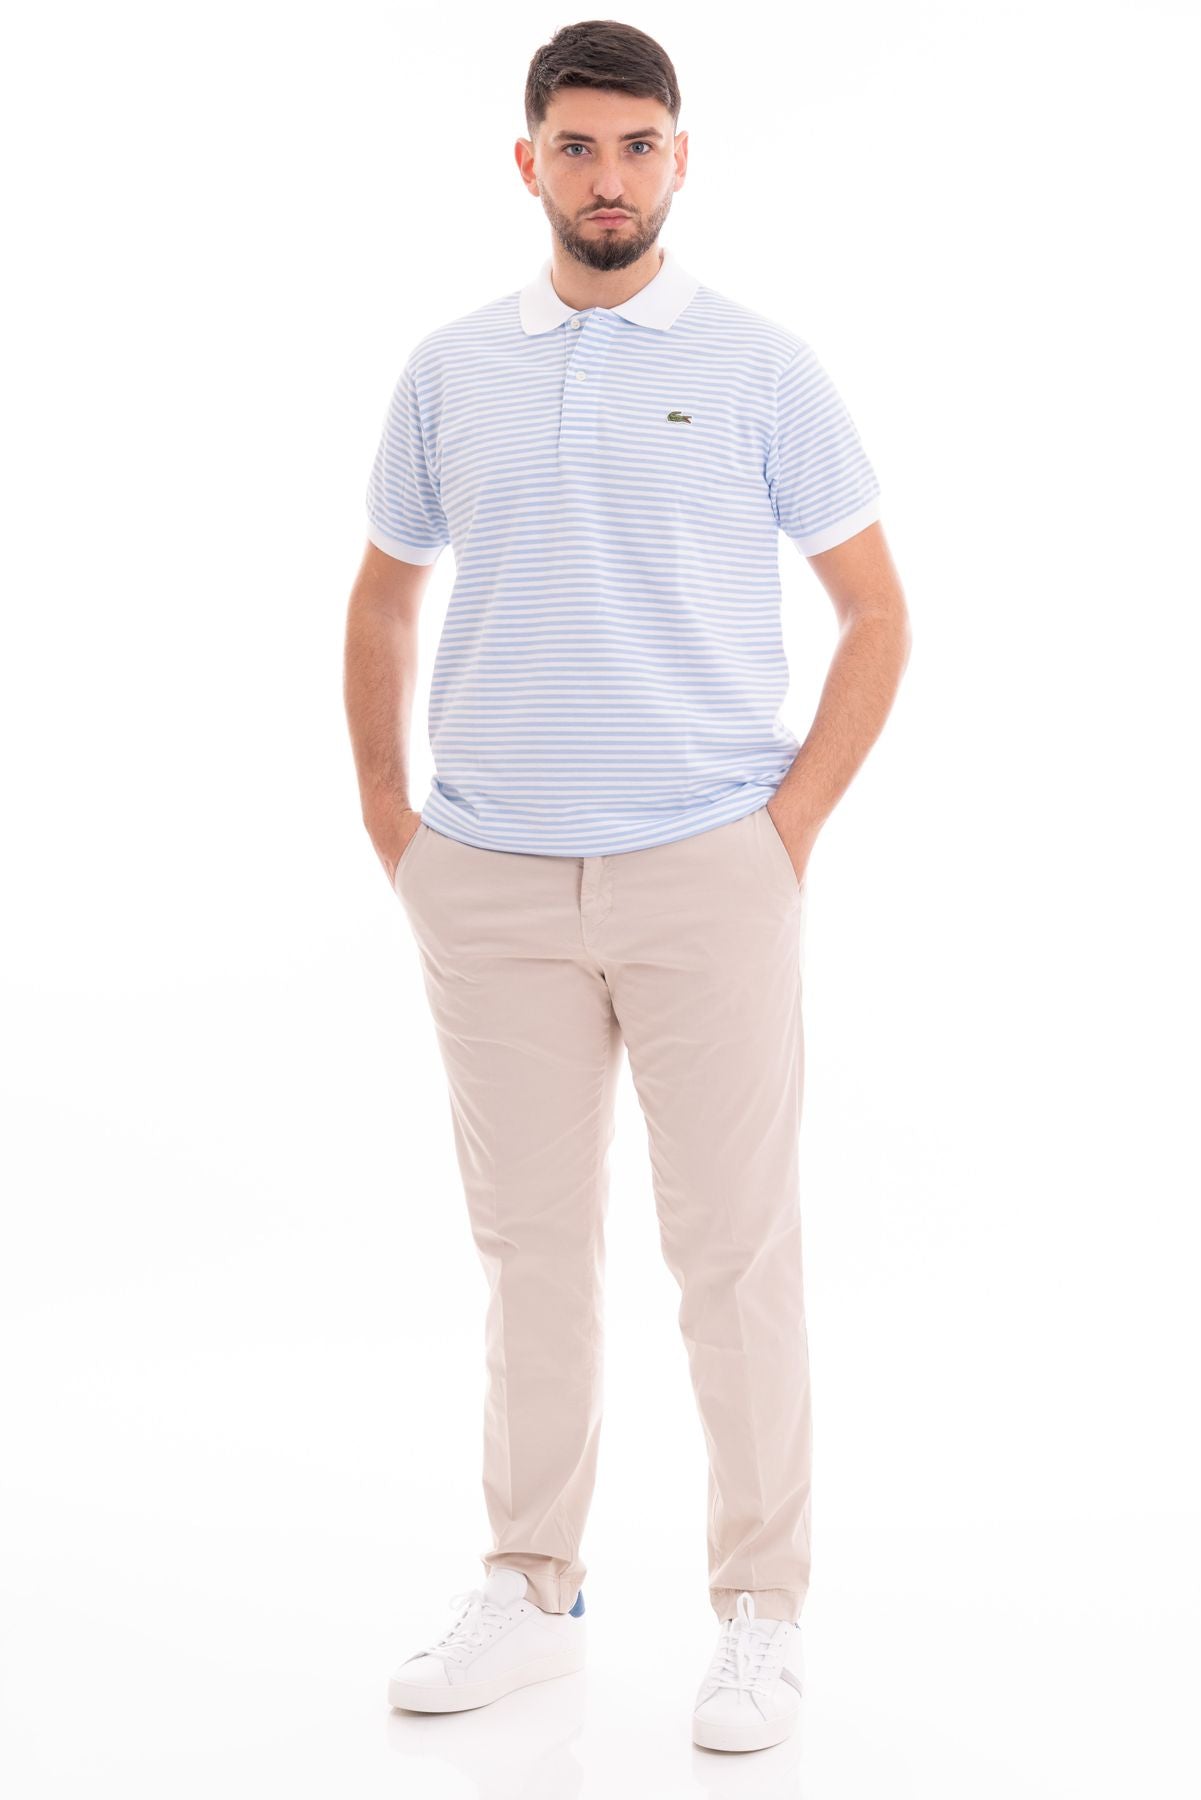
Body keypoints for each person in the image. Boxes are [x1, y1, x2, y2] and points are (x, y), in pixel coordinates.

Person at [344, 19, 911, 1755]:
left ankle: (760, 1617)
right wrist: (395, 824)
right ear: (528, 163)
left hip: (704, 870)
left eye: (637, 145)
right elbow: (383, 593)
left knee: (732, 1253)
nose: (609, 177)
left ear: (680, 159)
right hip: (489, 883)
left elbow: (874, 611)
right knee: (528, 1252)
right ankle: (531, 1591)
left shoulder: (759, 369)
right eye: (578, 146)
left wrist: (783, 832)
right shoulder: (449, 370)